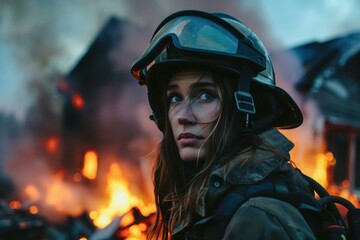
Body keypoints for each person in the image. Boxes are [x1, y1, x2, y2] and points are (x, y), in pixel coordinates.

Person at [131, 10, 316, 240]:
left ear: (244, 108)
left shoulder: (256, 219)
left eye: (206, 95)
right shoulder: (212, 204)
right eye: (175, 98)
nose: (182, 116)